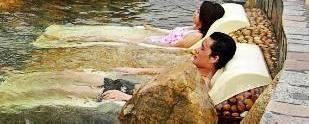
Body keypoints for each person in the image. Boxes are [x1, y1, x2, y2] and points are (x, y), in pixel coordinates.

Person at [53, 32, 237, 101]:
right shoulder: (193, 69)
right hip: (133, 87)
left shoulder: (201, 85)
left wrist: (126, 98)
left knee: (61, 88)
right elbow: (166, 72)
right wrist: (138, 70)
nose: (196, 50)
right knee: (70, 74)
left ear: (214, 58)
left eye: (202, 48)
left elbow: (166, 104)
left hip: (131, 94)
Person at [69, 1, 225, 48]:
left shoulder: (196, 36)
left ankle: (77, 41)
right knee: (106, 36)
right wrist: (152, 29)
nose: (194, 13)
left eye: (198, 12)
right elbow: (169, 33)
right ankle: (78, 39)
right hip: (151, 39)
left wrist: (145, 44)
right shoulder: (191, 28)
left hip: (150, 44)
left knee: (107, 39)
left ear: (204, 17)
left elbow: (172, 48)